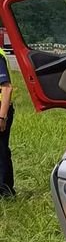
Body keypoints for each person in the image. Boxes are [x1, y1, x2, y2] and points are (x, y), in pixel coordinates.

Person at [0, 46, 13, 197]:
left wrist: (2, 117)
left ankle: (4, 192)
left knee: (1, 151)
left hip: (1, 110)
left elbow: (7, 89)